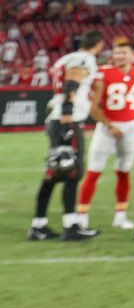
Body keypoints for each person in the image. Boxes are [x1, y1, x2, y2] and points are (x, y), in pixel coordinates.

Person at [29, 30, 105, 241]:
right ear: (98, 44)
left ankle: (39, 225)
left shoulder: (65, 58)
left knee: (54, 172)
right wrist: (67, 116)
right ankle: (71, 225)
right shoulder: (84, 58)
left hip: (57, 118)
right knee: (72, 172)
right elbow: (72, 82)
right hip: (66, 119)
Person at [78, 38, 134, 231]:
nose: (119, 56)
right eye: (117, 53)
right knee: (94, 171)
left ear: (133, 55)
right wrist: (109, 125)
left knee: (123, 172)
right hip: (106, 128)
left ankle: (120, 216)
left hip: (130, 128)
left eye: (123, 53)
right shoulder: (104, 73)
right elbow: (93, 108)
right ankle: (81, 216)